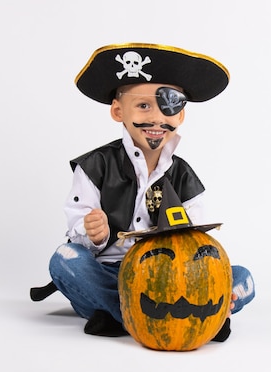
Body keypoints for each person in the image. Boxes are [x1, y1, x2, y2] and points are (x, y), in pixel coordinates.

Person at [31, 43, 255, 342]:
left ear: (181, 115)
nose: (157, 118)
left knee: (242, 278)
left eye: (169, 106)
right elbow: (77, 230)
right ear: (118, 110)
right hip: (109, 274)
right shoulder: (95, 166)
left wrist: (203, 275)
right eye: (144, 106)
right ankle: (132, 315)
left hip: (166, 276)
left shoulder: (183, 175)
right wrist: (92, 232)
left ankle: (118, 316)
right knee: (66, 258)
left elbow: (195, 239)